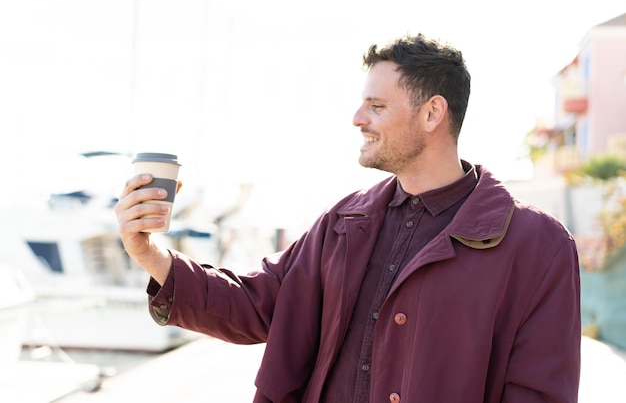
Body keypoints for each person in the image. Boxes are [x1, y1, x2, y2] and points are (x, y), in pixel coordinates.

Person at [115, 34, 581, 402]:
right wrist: (149, 252)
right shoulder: (344, 221)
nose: (358, 118)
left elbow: (540, 392)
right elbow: (257, 304)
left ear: (432, 113)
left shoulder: (537, 245)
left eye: (377, 106)